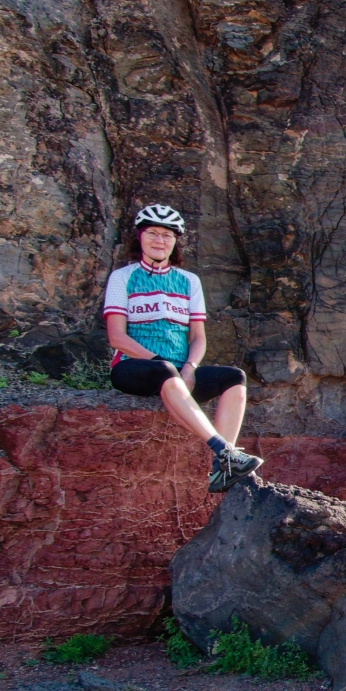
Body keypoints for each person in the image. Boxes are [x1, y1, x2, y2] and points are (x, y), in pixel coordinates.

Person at [103, 205, 263, 493]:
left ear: (175, 241)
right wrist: (163, 364)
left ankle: (223, 470)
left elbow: (198, 337)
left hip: (178, 372)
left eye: (166, 235)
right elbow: (117, 337)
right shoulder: (122, 277)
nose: (159, 240)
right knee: (164, 369)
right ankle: (225, 450)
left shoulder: (189, 281)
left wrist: (189, 368)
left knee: (234, 377)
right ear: (140, 237)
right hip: (132, 367)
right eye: (152, 233)